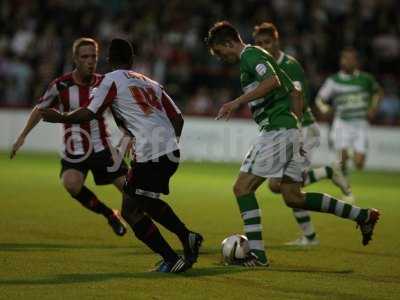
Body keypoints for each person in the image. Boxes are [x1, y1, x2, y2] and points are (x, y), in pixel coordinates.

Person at [206, 21, 380, 267]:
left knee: (242, 188)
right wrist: (297, 129)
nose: (221, 58)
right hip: (288, 130)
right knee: (292, 195)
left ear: (228, 43)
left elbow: (273, 82)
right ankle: (363, 215)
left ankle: (258, 256)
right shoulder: (261, 57)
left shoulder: (250, 56)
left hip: (276, 131)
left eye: (220, 53)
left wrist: (236, 102)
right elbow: (295, 92)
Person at [40, 38, 203, 273]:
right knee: (145, 202)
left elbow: (89, 112)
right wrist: (168, 144)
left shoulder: (111, 80)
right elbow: (178, 119)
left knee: (130, 211)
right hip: (170, 152)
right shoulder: (151, 83)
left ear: (108, 60)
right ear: (132, 60)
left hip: (150, 154)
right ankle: (187, 238)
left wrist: (61, 117)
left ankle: (171, 258)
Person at [10, 37, 127, 236]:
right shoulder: (60, 86)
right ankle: (109, 215)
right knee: (71, 184)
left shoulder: (105, 83)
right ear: (75, 59)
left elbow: (121, 111)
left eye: (94, 56)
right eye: (85, 57)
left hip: (102, 148)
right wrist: (22, 136)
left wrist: (130, 134)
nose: (90, 61)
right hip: (75, 151)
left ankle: (140, 223)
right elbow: (40, 109)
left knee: (130, 189)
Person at [252, 22, 353, 246]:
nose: (263, 47)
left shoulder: (290, 65)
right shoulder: (263, 65)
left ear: (276, 42)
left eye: (267, 42)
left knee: (284, 187)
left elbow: (300, 99)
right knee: (277, 186)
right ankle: (326, 175)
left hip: (302, 129)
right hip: (287, 129)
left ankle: (311, 234)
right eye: (258, 43)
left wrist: (293, 133)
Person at [316, 47, 383, 174]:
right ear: (341, 61)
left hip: (360, 124)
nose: (347, 62)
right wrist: (325, 109)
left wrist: (373, 108)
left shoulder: (366, 79)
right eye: (345, 58)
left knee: (359, 164)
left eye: (351, 59)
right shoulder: (333, 80)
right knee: (342, 160)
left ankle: (349, 154)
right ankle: (344, 178)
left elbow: (378, 92)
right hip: (342, 123)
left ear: (356, 62)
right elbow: (320, 99)